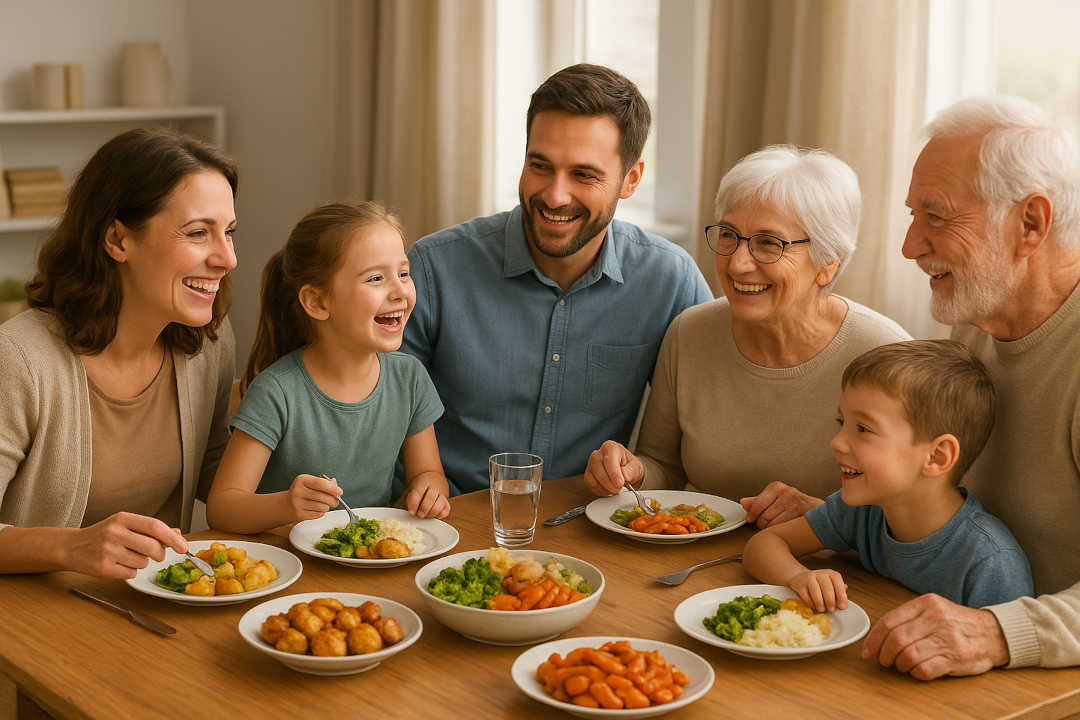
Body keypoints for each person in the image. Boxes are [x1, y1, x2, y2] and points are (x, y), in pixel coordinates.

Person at [401, 63, 712, 495]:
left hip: (585, 530)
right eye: (541, 165)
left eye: (584, 174)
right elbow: (374, 409)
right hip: (447, 521)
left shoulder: (670, 280)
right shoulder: (434, 267)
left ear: (631, 179)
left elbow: (709, 424)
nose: (555, 195)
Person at [863, 96, 1080, 679]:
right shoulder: (975, 311)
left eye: (937, 216)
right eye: (913, 215)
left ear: (1031, 223)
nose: (910, 245)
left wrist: (997, 632)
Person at [583, 146, 910, 527]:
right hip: (695, 560)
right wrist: (632, 471)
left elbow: (911, 514)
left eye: (769, 243)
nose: (737, 263)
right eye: (728, 235)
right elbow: (665, 468)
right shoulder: (689, 333)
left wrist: (823, 517)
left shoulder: (887, 356)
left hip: (828, 577)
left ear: (827, 262)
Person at [0, 127, 237, 578]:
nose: (227, 258)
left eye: (228, 232)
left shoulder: (209, 343)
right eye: (197, 233)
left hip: (150, 609)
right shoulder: (18, 359)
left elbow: (214, 469)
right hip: (27, 622)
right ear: (118, 240)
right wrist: (70, 547)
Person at [206, 202, 449, 534]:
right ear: (318, 302)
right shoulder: (277, 391)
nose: (400, 292)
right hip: (288, 566)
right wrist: (286, 505)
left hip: (372, 559)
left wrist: (430, 490)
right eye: (376, 278)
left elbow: (428, 473)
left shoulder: (410, 378)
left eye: (403, 273)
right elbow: (223, 508)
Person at [743, 340, 1033, 612]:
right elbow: (762, 546)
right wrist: (798, 577)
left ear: (937, 457)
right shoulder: (861, 511)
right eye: (842, 422)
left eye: (864, 429)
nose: (836, 442)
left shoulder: (990, 562)